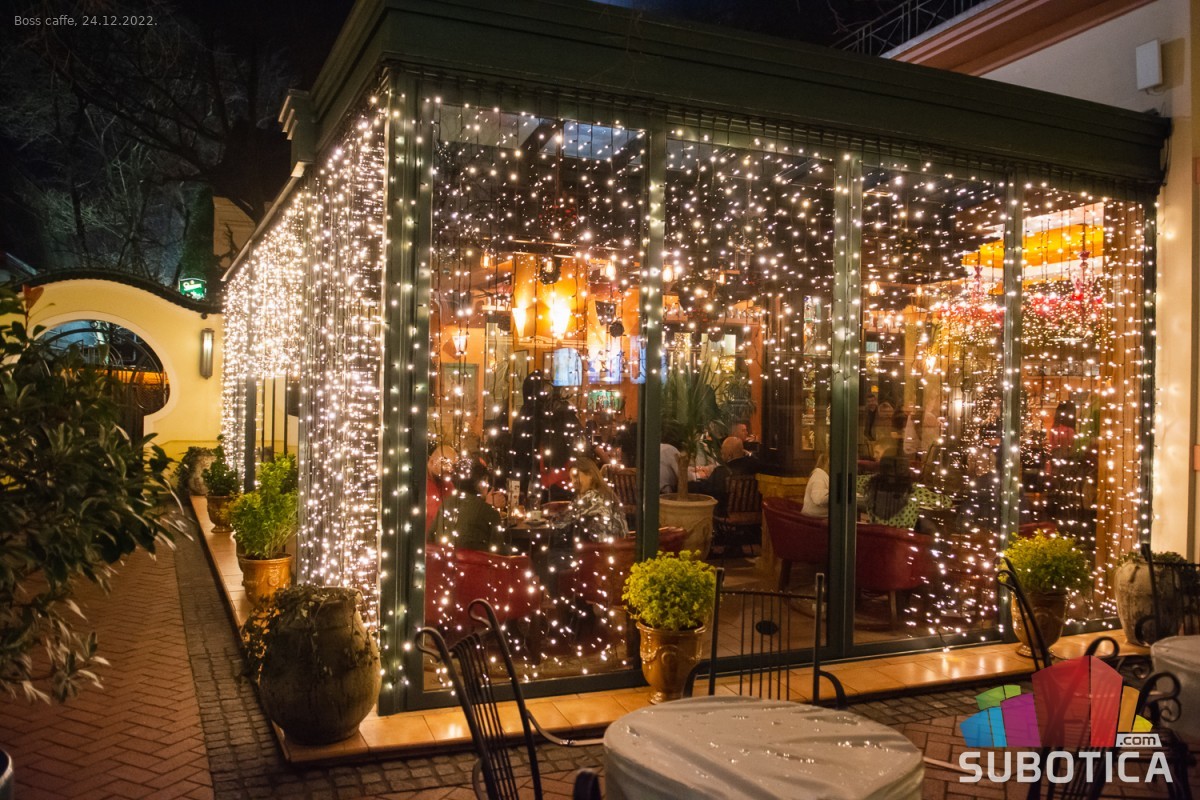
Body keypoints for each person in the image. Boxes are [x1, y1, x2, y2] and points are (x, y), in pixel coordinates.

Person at [857, 454, 951, 529]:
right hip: (902, 540)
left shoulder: (869, 483)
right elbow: (946, 502)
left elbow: (851, 479)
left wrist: (868, 465)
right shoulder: (914, 491)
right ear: (905, 470)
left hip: (878, 538)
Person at [436, 461, 504, 551]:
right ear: (481, 482)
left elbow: (430, 537)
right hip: (478, 560)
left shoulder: (445, 505)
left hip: (445, 558)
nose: (487, 486)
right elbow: (498, 550)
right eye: (486, 481)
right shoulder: (489, 512)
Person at [693, 436, 758, 515]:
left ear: (729, 455)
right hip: (754, 515)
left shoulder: (721, 472)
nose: (721, 455)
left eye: (723, 452)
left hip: (724, 514)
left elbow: (707, 490)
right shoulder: (754, 469)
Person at [426, 444, 458, 536]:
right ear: (431, 461)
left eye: (453, 465)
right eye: (445, 463)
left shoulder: (448, 484)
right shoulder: (422, 484)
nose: (450, 469)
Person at [801, 452, 830, 517]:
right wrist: (836, 494)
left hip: (818, 517)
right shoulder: (819, 476)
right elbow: (818, 500)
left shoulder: (823, 476)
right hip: (813, 518)